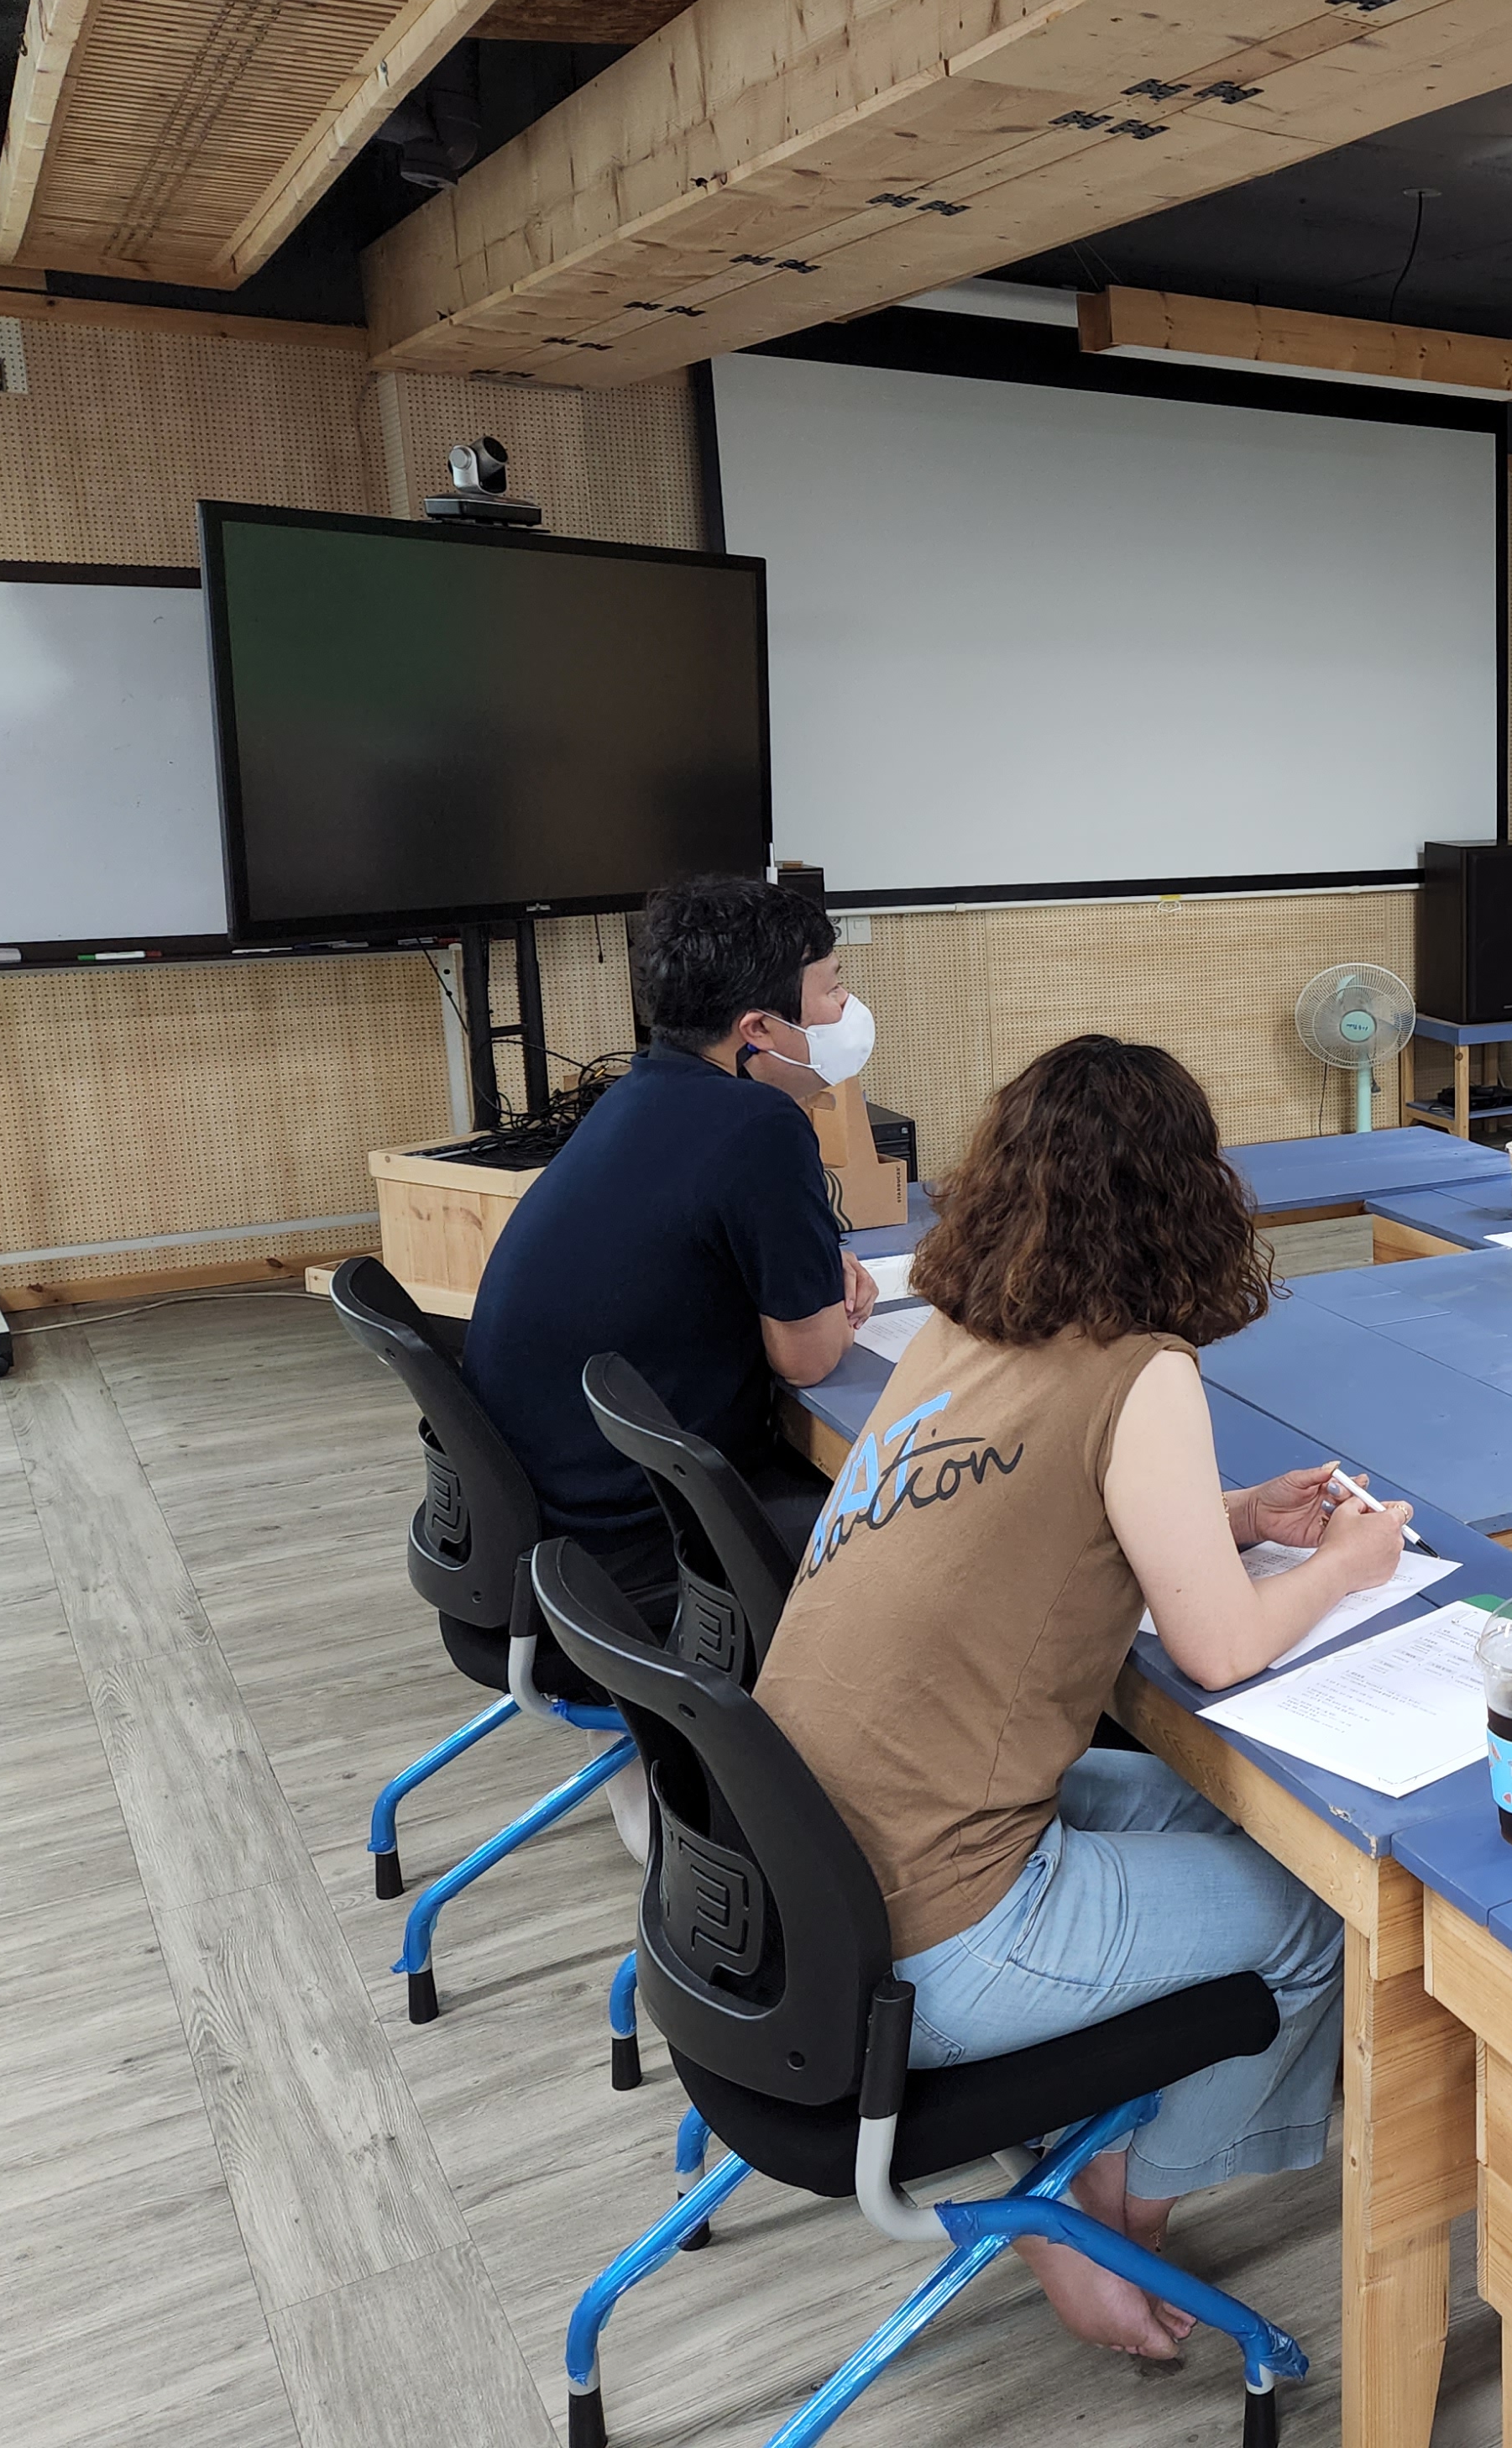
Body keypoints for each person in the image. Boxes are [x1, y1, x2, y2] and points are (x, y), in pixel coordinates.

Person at [752, 1035, 1412, 2363]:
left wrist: (1230, 1514)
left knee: (1209, 1815)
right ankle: (1118, 2216)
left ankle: (1089, 2171)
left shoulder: (957, 1328)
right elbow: (1219, 1651)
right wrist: (1345, 1565)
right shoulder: (1141, 1368)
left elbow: (1042, 1503)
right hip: (934, 1934)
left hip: (803, 1872)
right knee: (1315, 1912)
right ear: (1183, 1193)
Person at [463, 873, 876, 1582]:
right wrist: (825, 1304)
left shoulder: (638, 1091)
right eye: (833, 988)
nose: (846, 1006)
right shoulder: (760, 1126)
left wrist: (805, 1273)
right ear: (758, 1029)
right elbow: (807, 1359)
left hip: (551, 1517)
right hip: (643, 1538)